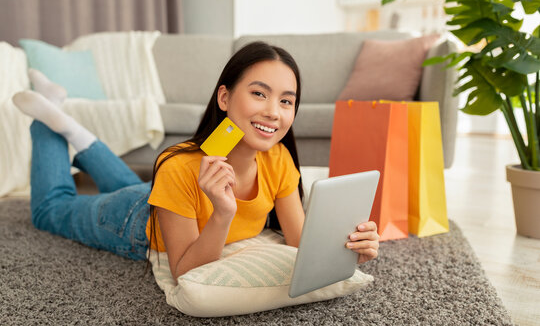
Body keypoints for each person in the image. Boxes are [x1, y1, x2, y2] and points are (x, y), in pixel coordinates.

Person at [12, 42, 380, 280]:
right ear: (224, 97)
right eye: (259, 94)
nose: (273, 112)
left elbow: (300, 240)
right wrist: (222, 213)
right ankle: (50, 120)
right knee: (50, 209)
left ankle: (70, 125)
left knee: (136, 183)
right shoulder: (179, 167)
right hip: (132, 218)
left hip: (165, 197)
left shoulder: (279, 158)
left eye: (286, 101)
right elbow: (183, 269)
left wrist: (349, 251)